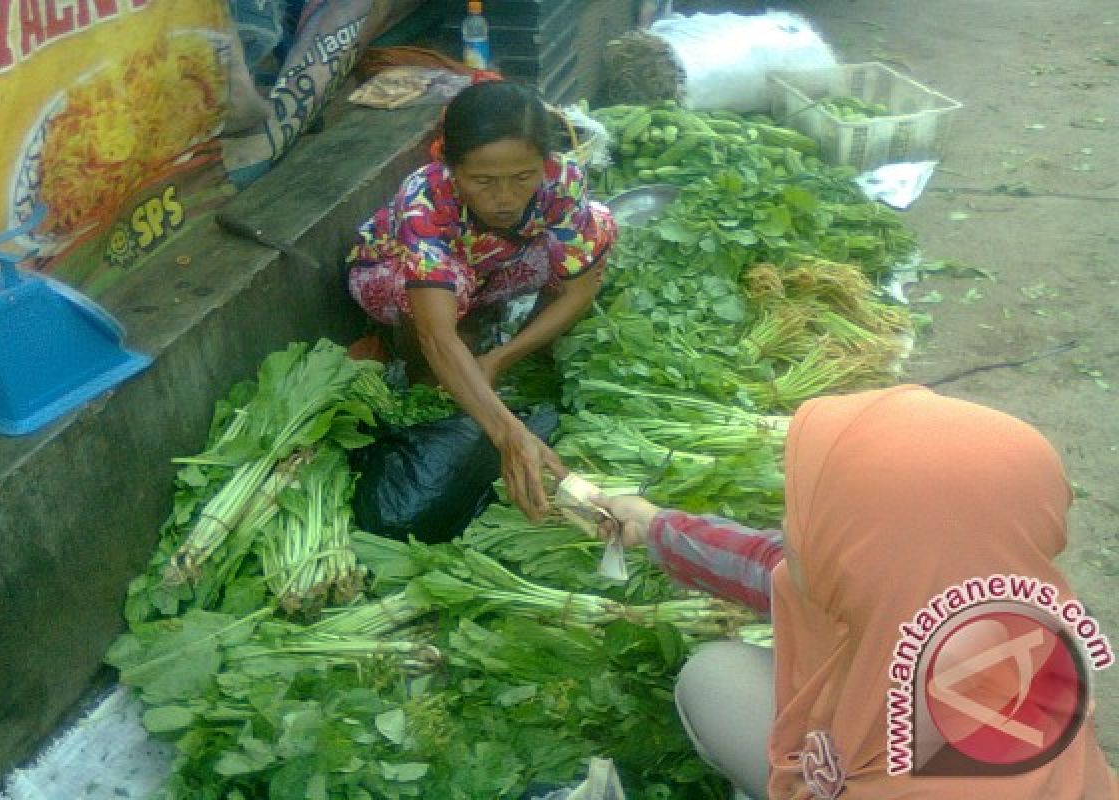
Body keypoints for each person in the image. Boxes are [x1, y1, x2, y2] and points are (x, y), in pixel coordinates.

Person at [593, 385, 1119, 799]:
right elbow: (773, 567)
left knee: (713, 678)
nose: (794, 528)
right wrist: (656, 525)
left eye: (803, 516)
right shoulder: (1019, 613)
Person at [347, 79, 615, 521]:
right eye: (483, 181)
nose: (505, 198)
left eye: (523, 177)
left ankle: (514, 350)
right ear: (449, 165)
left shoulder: (561, 181)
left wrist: (501, 359)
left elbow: (580, 288)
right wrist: (509, 434)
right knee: (429, 312)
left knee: (598, 228)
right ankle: (425, 385)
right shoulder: (426, 198)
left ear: (543, 164)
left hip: (489, 267)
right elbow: (435, 335)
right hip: (396, 276)